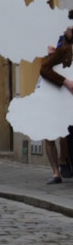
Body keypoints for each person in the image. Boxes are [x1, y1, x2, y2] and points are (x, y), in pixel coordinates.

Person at [40, 23, 73, 184]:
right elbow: (45, 69)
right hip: (53, 94)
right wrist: (65, 82)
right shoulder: (62, 47)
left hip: (66, 98)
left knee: (67, 133)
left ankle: (63, 160)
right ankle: (57, 170)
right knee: (50, 133)